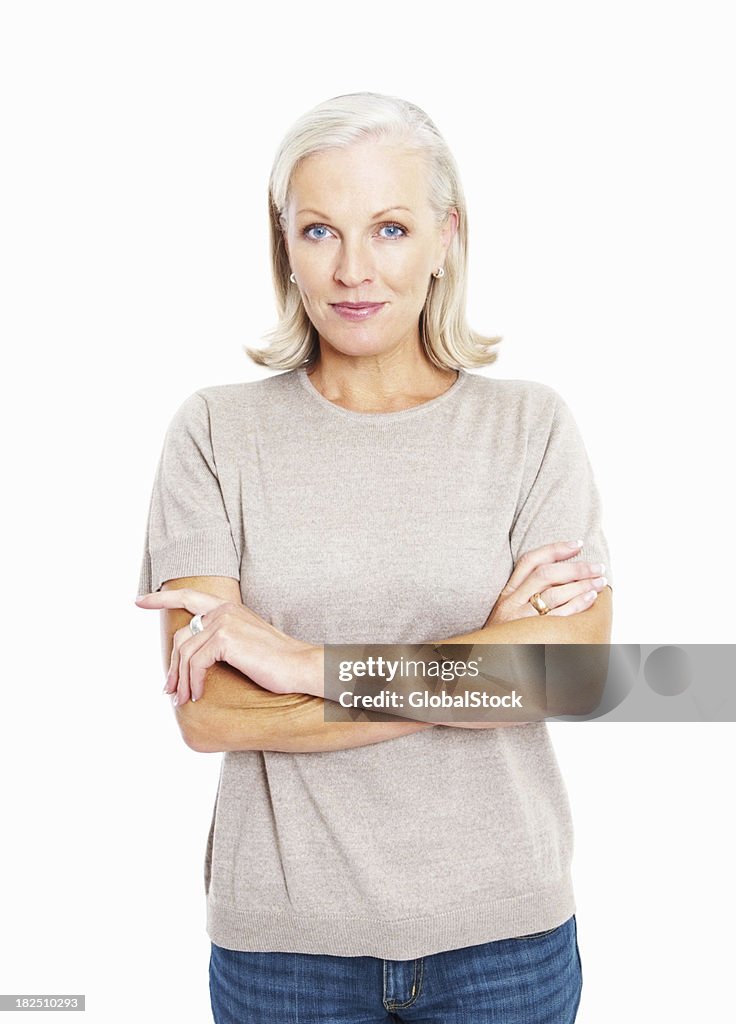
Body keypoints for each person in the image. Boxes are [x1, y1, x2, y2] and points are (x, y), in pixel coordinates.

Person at [136, 92, 613, 1024]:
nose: (353, 269)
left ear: (445, 238)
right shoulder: (215, 433)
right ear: (285, 244)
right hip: (285, 955)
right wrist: (483, 658)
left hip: (505, 947)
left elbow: (570, 675)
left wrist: (298, 663)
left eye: (390, 228)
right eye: (320, 231)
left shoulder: (528, 427)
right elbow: (213, 714)